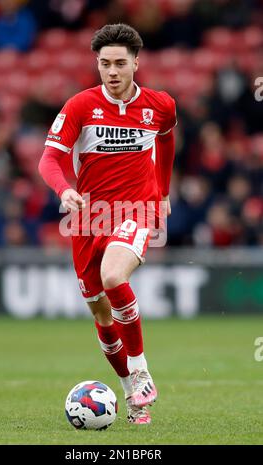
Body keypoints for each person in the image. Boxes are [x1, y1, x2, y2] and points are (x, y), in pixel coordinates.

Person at [38, 23, 176, 425]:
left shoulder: (160, 105)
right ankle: (132, 392)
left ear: (136, 62)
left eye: (119, 63)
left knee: (114, 276)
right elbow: (48, 159)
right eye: (104, 64)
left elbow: (166, 138)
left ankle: (141, 368)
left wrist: (163, 190)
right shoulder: (80, 106)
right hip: (88, 219)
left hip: (137, 209)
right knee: (101, 313)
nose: (112, 72)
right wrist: (64, 189)